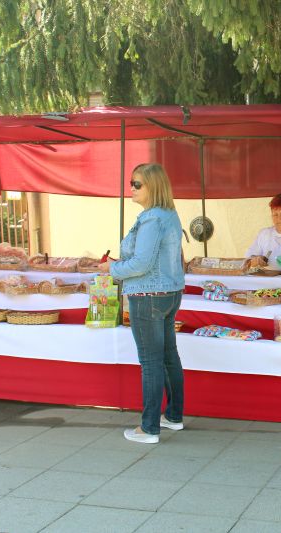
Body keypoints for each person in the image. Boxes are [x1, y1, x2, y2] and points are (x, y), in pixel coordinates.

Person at [98, 163, 185, 444]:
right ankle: (173, 416)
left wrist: (111, 268)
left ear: (153, 186)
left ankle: (149, 428)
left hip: (148, 296)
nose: (132, 188)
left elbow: (141, 264)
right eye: (131, 183)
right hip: (169, 293)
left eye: (137, 184)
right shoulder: (169, 214)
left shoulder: (151, 219)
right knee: (168, 356)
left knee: (151, 362)